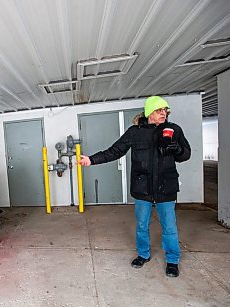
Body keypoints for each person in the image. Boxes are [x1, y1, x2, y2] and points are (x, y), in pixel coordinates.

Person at [78, 96, 191, 277]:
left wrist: (176, 148)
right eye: (159, 110)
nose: (164, 113)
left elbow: (186, 155)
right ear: (149, 112)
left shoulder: (174, 130)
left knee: (169, 227)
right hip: (142, 188)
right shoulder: (135, 132)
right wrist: (91, 160)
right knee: (141, 225)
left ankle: (172, 260)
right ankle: (143, 254)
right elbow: (115, 151)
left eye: (165, 110)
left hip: (165, 187)